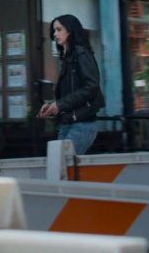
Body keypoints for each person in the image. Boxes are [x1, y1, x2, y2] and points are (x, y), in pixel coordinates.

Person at [38, 14, 105, 155]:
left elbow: (91, 86)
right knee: (60, 165)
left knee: (63, 164)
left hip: (82, 123)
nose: (55, 34)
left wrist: (60, 105)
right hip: (67, 123)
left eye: (59, 30)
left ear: (70, 31)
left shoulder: (81, 54)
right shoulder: (67, 58)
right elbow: (70, 92)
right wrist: (53, 105)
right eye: (54, 30)